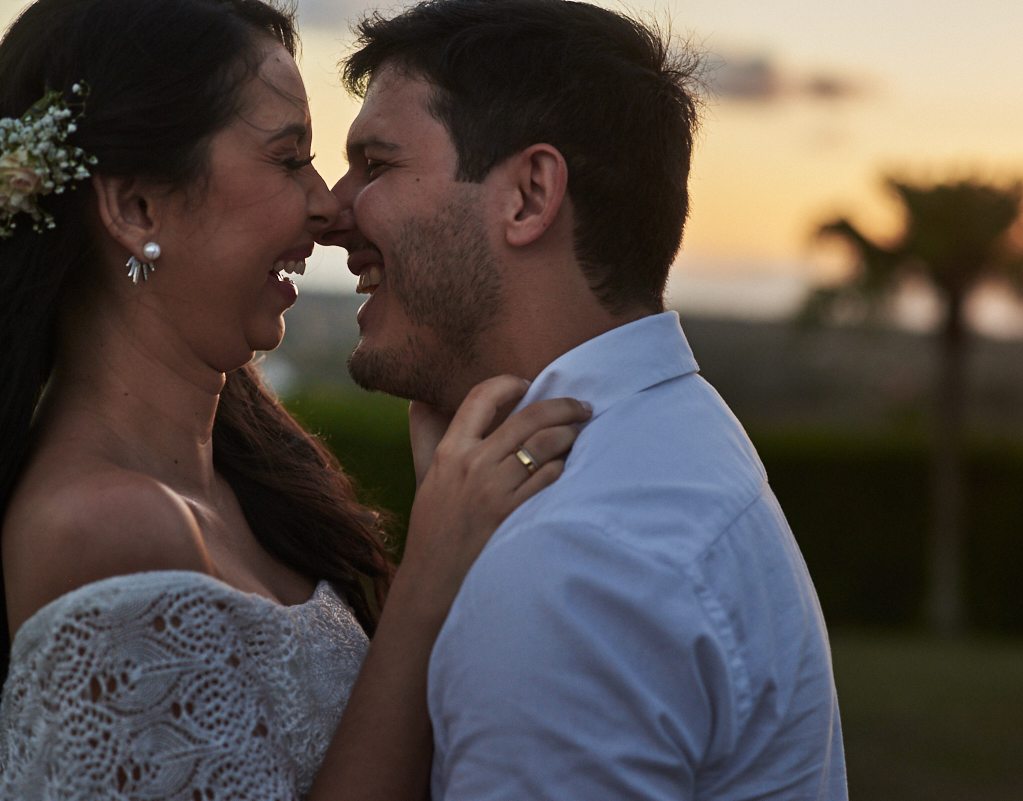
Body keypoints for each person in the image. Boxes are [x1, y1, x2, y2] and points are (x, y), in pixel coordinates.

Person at [0, 0, 589, 798]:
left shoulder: (252, 476)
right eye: (289, 160)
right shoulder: (102, 526)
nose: (327, 204)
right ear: (136, 207)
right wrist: (431, 571)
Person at [321, 1, 849, 798]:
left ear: (529, 195)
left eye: (377, 163)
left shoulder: (573, 563)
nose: (333, 207)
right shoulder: (674, 439)